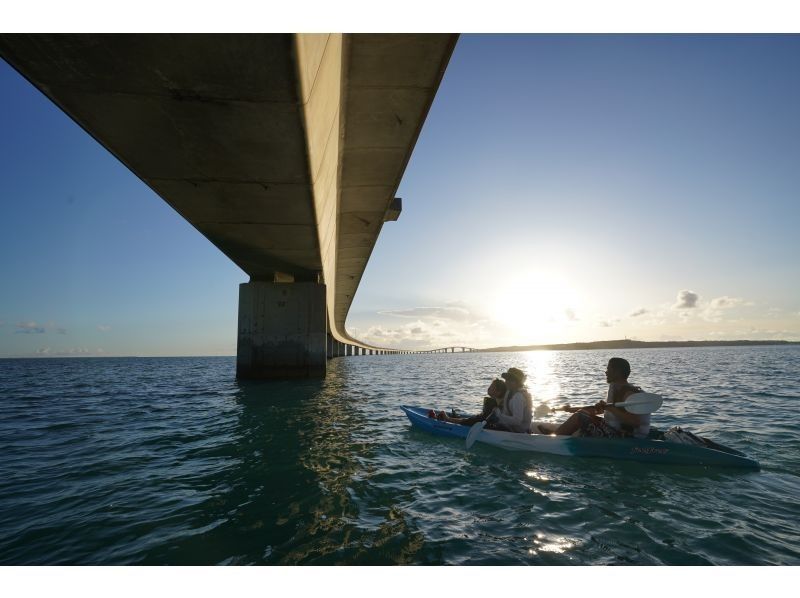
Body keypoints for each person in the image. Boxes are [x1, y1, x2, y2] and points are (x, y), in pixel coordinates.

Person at [554, 357, 650, 438]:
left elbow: (636, 422)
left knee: (580, 417)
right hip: (612, 430)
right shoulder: (617, 389)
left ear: (617, 372)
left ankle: (553, 440)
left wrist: (611, 409)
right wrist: (571, 409)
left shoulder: (629, 393)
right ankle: (555, 434)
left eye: (608, 369)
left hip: (622, 437)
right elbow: (599, 411)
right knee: (582, 415)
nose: (606, 372)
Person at [431, 379, 507, 426]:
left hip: (482, 422)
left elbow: (487, 417)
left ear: (498, 392)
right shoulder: (494, 400)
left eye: (491, 387)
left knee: (466, 421)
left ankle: (447, 419)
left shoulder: (497, 403)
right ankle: (454, 418)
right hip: (481, 419)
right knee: (468, 419)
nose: (489, 388)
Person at [486, 367, 533, 433]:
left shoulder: (518, 396)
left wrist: (499, 416)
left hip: (519, 432)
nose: (507, 382)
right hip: (510, 428)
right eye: (506, 379)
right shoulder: (509, 392)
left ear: (517, 382)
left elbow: (517, 421)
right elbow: (505, 413)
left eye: (511, 380)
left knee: (487, 425)